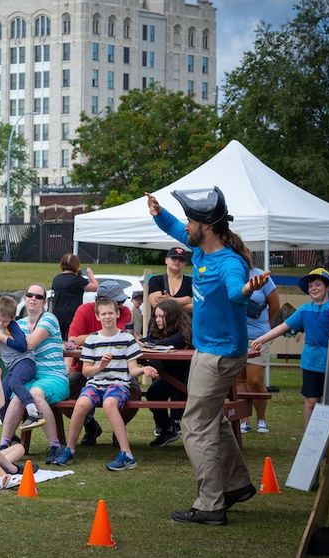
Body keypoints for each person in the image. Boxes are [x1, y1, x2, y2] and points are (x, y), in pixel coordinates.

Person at [148, 187, 269, 525]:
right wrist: (158, 213)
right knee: (212, 419)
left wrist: (247, 289)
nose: (185, 225)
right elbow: (174, 228)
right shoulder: (201, 248)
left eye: (191, 220)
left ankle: (210, 504)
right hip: (214, 352)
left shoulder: (229, 263)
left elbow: (235, 292)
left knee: (194, 425)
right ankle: (237, 485)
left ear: (208, 226)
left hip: (218, 356)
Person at [53, 297, 158, 470]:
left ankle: (127, 455)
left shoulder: (127, 339)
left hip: (119, 384)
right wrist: (100, 366)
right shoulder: (91, 341)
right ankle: (69, 450)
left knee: (110, 403)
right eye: (103, 314)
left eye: (110, 313)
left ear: (117, 314)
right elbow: (86, 371)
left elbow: (132, 370)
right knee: (81, 404)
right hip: (95, 384)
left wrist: (143, 370)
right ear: (98, 317)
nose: (107, 317)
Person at [251, 268, 329, 428]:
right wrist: (262, 339)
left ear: (328, 287)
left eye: (318, 284)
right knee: (311, 402)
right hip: (311, 363)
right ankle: (308, 440)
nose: (313, 288)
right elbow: (283, 327)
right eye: (311, 286)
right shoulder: (305, 309)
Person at [0, 283, 70, 463]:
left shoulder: (49, 319)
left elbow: (28, 344)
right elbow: (7, 352)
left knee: (35, 394)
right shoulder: (19, 324)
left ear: (44, 302)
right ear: (24, 298)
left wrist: (2, 337)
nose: (33, 299)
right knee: (18, 395)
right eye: (30, 295)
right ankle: (4, 445)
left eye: (38, 296)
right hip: (30, 375)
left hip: (53, 375)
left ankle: (55, 446)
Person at [67, 281, 137, 446]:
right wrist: (99, 336)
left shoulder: (122, 311)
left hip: (118, 369)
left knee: (135, 392)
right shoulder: (84, 310)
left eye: (121, 302)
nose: (121, 305)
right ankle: (89, 424)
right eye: (117, 302)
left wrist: (88, 338)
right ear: (100, 302)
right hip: (85, 368)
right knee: (65, 391)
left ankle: (118, 431)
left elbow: (118, 335)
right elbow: (72, 340)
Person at [0, 295, 44, 430]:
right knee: (2, 395)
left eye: (5, 321)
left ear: (12, 318)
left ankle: (34, 413)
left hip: (25, 363)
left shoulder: (13, 327)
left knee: (14, 382)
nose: (1, 323)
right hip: (13, 366)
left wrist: (3, 337)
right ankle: (9, 434)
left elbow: (22, 346)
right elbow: (1, 351)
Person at [144, 299, 193, 447]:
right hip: (169, 374)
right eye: (156, 316)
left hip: (188, 375)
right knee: (153, 393)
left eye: (162, 316)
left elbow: (171, 342)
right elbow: (149, 340)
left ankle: (175, 427)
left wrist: (147, 344)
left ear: (171, 316)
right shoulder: (157, 329)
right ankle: (167, 429)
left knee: (162, 393)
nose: (158, 320)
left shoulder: (185, 330)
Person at [238, 266, 280, 433]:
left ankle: (261, 419)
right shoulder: (229, 271)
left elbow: (275, 306)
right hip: (235, 337)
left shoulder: (261, 275)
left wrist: (263, 327)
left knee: (255, 381)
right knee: (239, 379)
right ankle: (244, 420)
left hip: (258, 337)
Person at [50, 253, 99, 336]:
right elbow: (95, 287)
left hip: (58, 315)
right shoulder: (77, 280)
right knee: (72, 338)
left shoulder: (56, 279)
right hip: (72, 315)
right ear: (76, 264)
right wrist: (91, 275)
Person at [148, 246, 194, 314]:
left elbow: (196, 306)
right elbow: (157, 305)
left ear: (185, 263)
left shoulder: (191, 281)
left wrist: (170, 300)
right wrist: (187, 300)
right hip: (162, 320)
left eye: (181, 259)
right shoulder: (155, 280)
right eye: (174, 258)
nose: (177, 261)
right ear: (166, 260)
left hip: (185, 320)